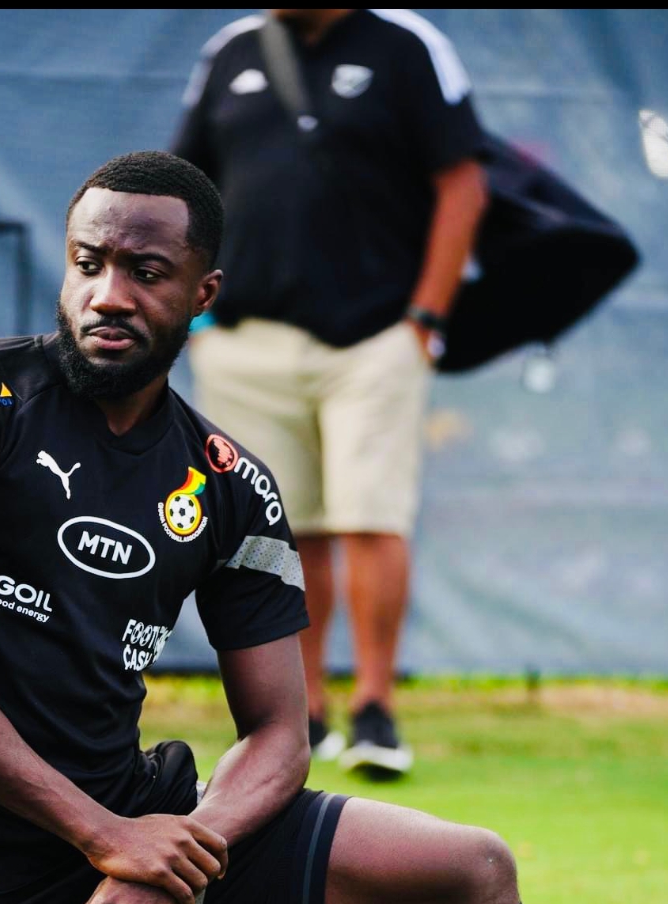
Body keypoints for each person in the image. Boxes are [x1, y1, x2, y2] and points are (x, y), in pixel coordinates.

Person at [0, 150, 528, 904]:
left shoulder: (229, 483)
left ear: (203, 295)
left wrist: (178, 857)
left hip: (141, 828)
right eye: (88, 264)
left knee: (473, 873)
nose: (109, 295)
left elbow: (279, 735)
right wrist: (106, 838)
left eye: (146, 272)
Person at [171, 9, 489, 774]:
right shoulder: (230, 50)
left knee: (371, 517)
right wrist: (199, 319)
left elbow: (463, 183)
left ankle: (376, 711)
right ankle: (300, 716)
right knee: (281, 530)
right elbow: (183, 189)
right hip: (246, 342)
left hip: (375, 338)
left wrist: (424, 320)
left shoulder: (408, 45)